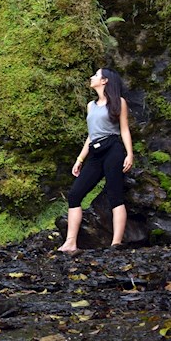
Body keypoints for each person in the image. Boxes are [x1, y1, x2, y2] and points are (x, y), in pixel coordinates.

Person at [57, 67, 134, 252]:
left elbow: (124, 129)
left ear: (105, 80)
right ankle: (70, 242)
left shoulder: (118, 102)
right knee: (75, 194)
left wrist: (129, 154)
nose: (92, 77)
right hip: (95, 152)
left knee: (115, 194)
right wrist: (80, 159)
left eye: (96, 75)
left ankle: (116, 244)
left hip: (113, 149)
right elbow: (91, 136)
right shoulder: (91, 106)